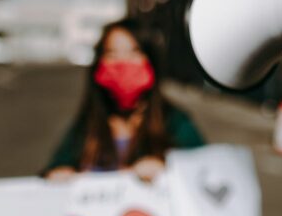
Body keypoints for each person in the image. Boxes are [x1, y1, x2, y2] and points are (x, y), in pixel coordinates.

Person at [44, 19, 204, 182]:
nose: (122, 63)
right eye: (112, 54)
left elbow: (205, 170)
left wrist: (168, 169)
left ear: (151, 61)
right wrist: (57, 174)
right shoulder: (88, 126)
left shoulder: (175, 122)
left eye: (134, 52)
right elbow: (55, 169)